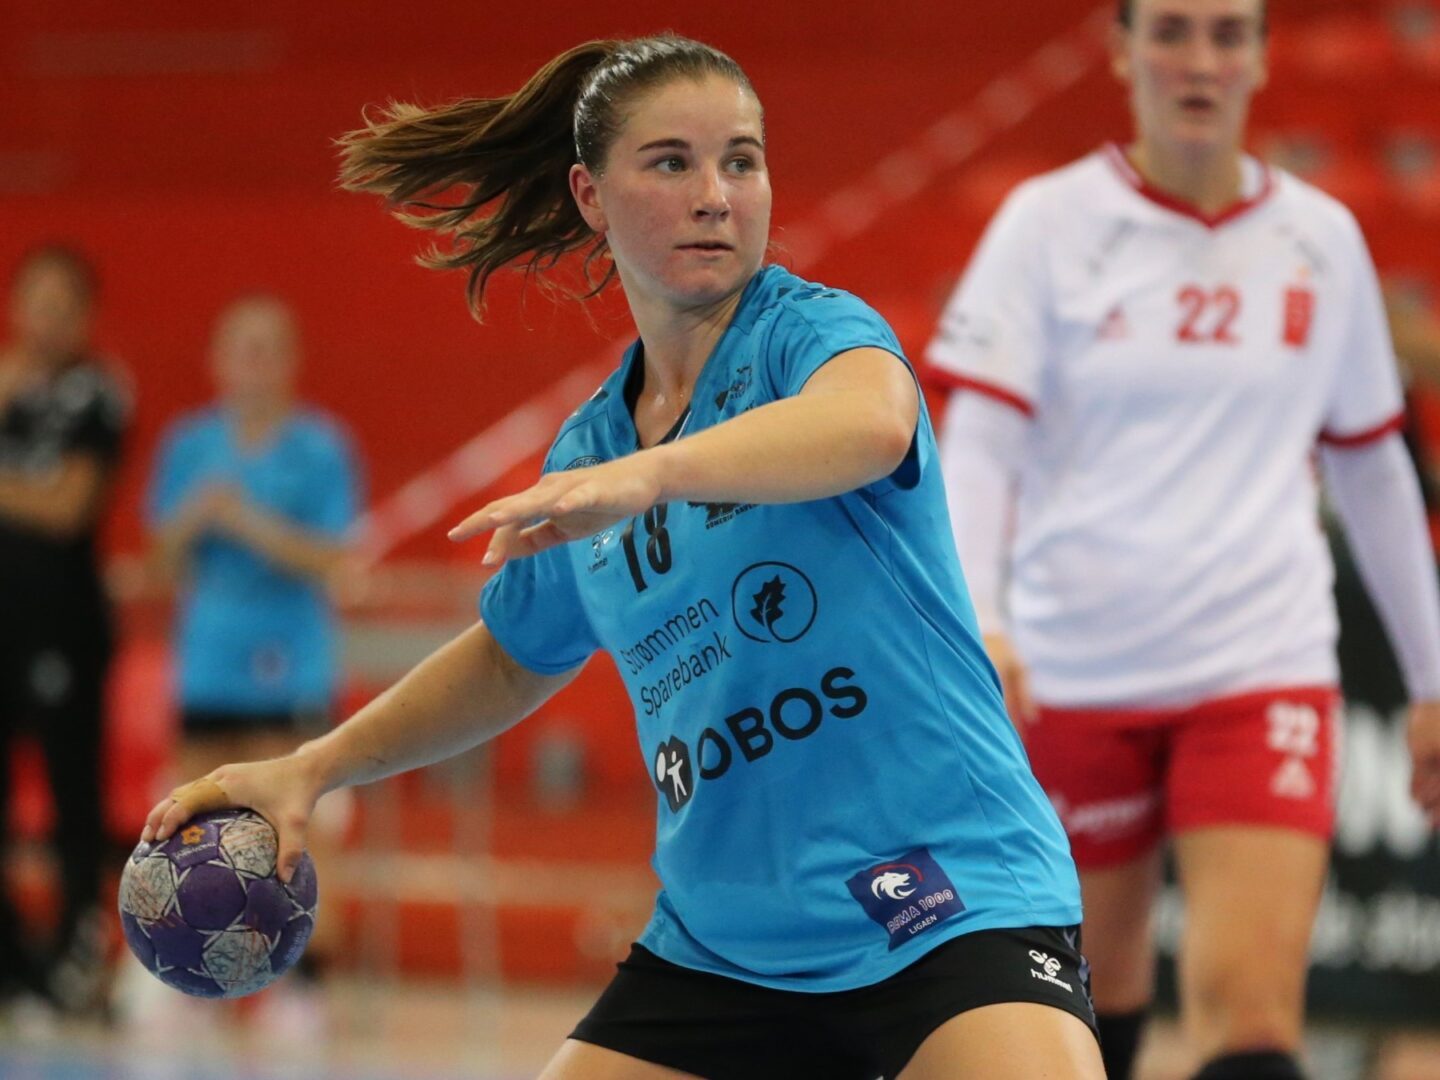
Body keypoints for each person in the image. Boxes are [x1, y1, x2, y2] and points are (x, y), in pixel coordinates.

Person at [144, 35, 1104, 1079]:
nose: (715, 196)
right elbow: (511, 656)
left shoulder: (808, 334)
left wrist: (655, 475)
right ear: (590, 196)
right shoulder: (592, 450)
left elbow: (873, 423)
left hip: (946, 900)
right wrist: (313, 768)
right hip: (728, 946)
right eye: (671, 163)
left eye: (741, 161)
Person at [925, 2, 1440, 1079]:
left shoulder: (1319, 239)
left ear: (1260, 56)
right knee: (1083, 1014)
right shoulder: (1047, 224)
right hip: (1076, 672)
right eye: (1169, 32)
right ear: (1122, 52)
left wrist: (1433, 679)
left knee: (1254, 1024)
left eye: (1225, 34)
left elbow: (1373, 468)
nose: (1198, 60)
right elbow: (979, 447)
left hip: (1260, 667)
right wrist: (984, 621)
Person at [142, 294, 361, 1027]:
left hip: (290, 660)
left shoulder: (321, 446)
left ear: (291, 361)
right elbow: (159, 561)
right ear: (217, 361)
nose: (254, 364)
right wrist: (193, 518)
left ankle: (303, 981)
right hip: (208, 660)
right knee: (188, 819)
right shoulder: (190, 445)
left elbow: (332, 556)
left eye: (268, 348)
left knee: (293, 823)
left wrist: (247, 522)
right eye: (241, 348)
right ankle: (181, 969)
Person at [0, 245, 130, 1015]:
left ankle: (76, 954)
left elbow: (67, 506)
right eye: (34, 300)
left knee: (70, 793)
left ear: (85, 315)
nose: (46, 317)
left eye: (62, 303)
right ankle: (11, 961)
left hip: (62, 624)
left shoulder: (97, 393)